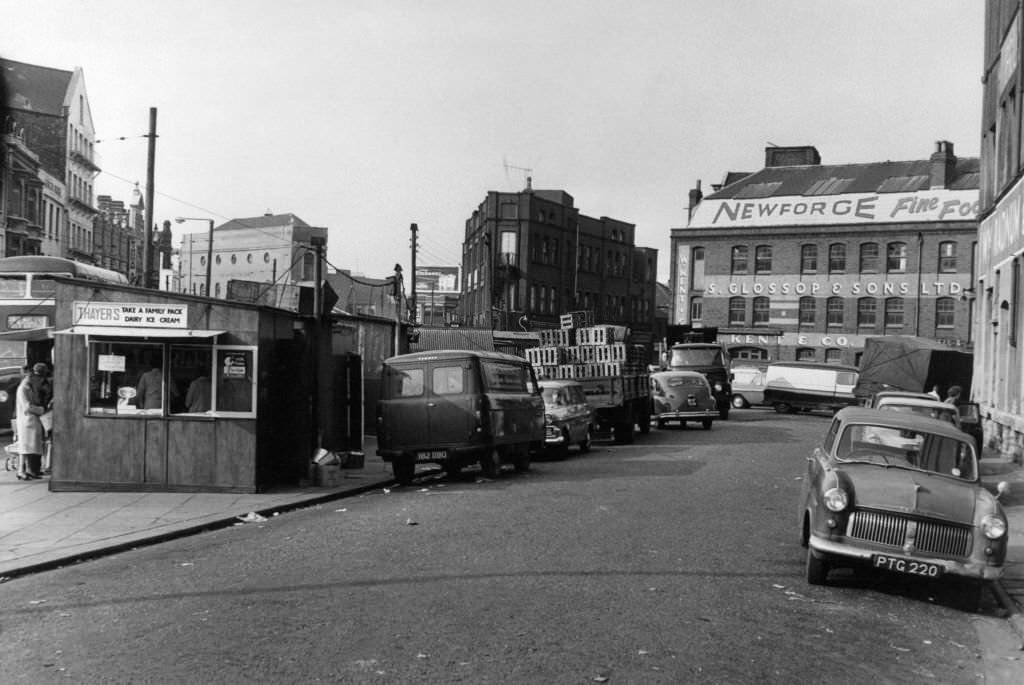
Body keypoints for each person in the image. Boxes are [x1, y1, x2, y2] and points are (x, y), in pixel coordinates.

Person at [15, 364, 47, 480]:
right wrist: (41, 410)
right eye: (33, 376)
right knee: (24, 448)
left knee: (30, 447)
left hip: (32, 421)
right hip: (26, 421)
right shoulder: (23, 388)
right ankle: (21, 471)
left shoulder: (30, 387)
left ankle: (29, 471)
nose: (35, 378)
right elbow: (27, 406)